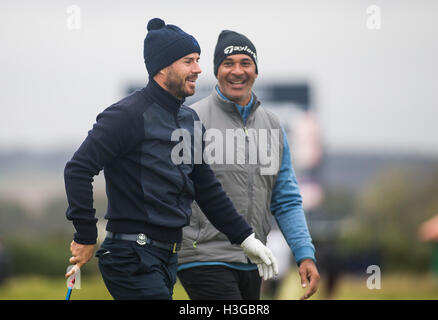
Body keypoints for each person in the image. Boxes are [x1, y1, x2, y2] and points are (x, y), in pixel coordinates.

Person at [63, 18, 277, 300]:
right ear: (163, 67)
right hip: (130, 257)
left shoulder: (189, 119)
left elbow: (206, 187)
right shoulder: (127, 114)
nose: (198, 69)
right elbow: (78, 169)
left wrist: (245, 238)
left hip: (167, 258)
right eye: (189, 61)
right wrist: (85, 235)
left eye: (198, 60)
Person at [177, 30, 320, 300]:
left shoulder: (274, 126)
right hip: (202, 256)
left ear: (256, 70)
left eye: (246, 63)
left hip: (253, 259)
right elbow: (170, 189)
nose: (237, 71)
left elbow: (286, 199)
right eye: (228, 63)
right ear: (216, 70)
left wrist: (304, 254)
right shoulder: (189, 119)